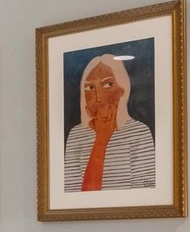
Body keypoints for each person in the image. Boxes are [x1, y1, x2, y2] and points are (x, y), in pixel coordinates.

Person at [63, 53, 156, 192]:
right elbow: (71, 193)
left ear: (122, 90)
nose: (98, 97)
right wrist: (100, 140)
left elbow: (145, 191)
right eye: (90, 88)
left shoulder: (139, 132)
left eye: (108, 84)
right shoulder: (77, 134)